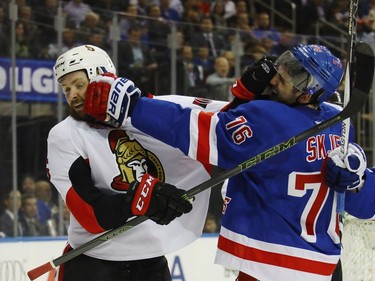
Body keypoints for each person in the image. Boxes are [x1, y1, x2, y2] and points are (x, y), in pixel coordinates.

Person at [85, 44, 349, 280]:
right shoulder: (334, 119)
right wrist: (357, 170)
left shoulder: (271, 117)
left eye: (294, 75)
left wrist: (133, 107)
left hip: (275, 261)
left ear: (308, 94)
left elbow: (198, 130)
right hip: (324, 264)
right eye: (287, 64)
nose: (279, 76)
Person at [47, 44, 228, 280]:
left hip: (152, 264)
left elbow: (231, 119)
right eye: (66, 89)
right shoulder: (65, 135)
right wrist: (140, 200)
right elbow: (89, 215)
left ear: (102, 77)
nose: (72, 95)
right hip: (93, 265)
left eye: (79, 85)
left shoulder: (152, 111)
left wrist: (259, 94)